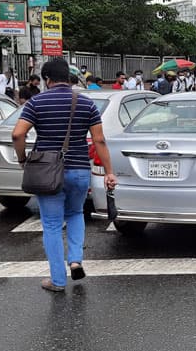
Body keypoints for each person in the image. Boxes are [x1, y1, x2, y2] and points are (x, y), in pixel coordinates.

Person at [11, 59, 117, 293]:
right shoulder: (87, 104)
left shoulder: (36, 102)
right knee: (76, 212)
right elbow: (99, 140)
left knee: (51, 224)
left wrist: (22, 159)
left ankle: (58, 280)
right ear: (68, 78)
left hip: (48, 171)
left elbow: (18, 134)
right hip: (79, 169)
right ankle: (76, 260)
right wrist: (109, 172)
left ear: (47, 79)